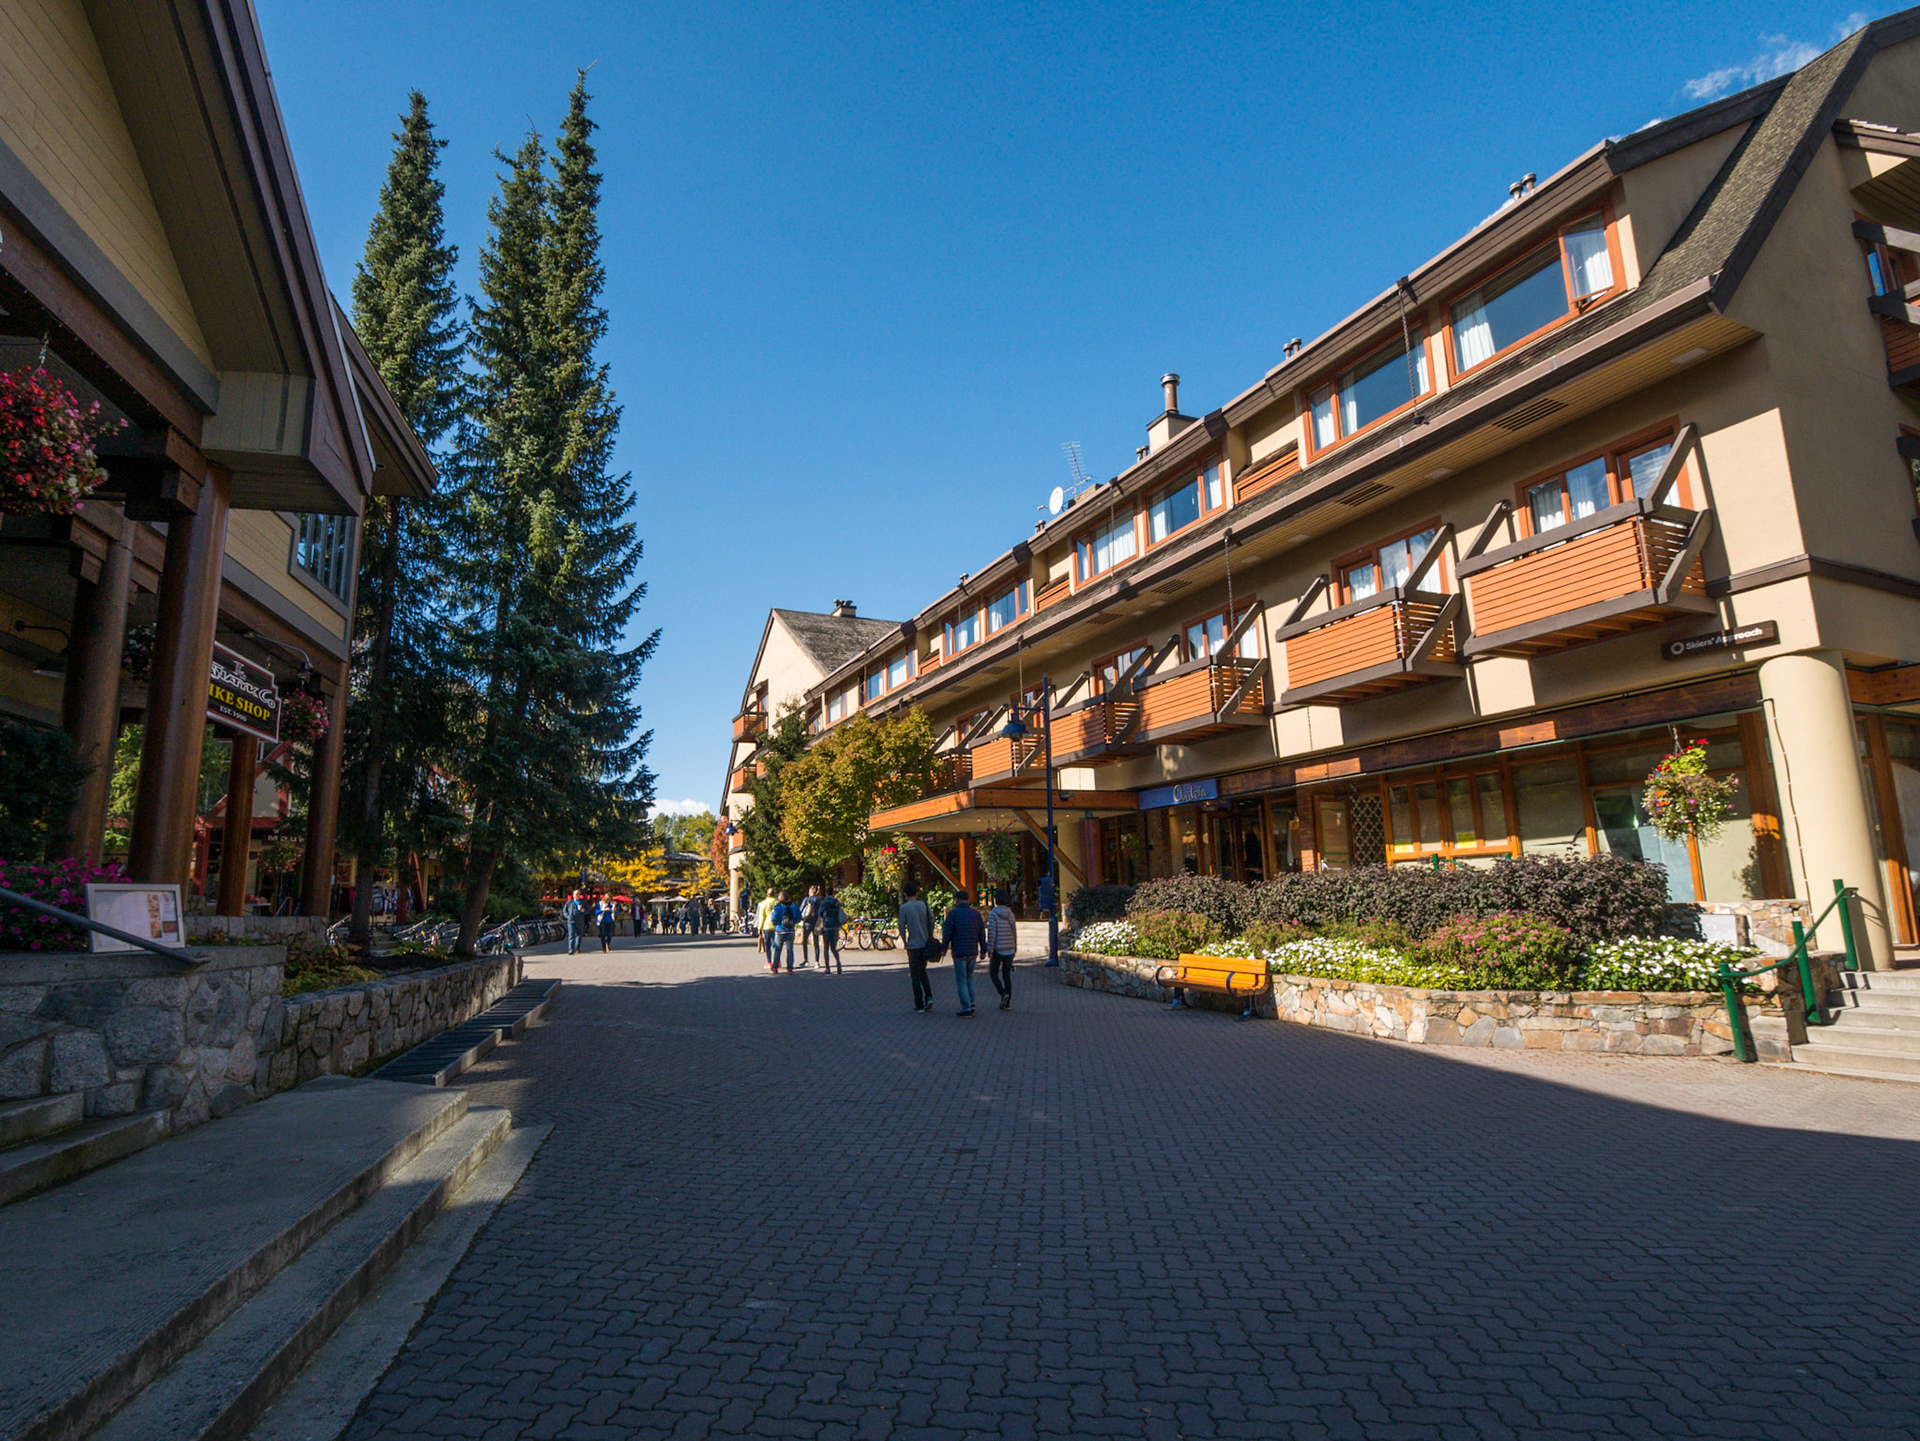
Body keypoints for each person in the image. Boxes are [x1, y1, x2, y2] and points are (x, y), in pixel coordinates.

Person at [942, 889, 984, 1018]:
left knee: (961, 981)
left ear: (957, 900)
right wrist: (983, 949)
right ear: (968, 900)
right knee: (970, 977)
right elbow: (981, 933)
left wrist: (943, 948)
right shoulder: (975, 915)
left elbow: (947, 932)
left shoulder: (953, 914)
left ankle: (966, 1007)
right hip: (972, 950)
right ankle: (971, 1002)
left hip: (959, 950)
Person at [899, 881, 934, 1012]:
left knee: (915, 975)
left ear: (905, 894)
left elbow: (901, 926)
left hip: (913, 945)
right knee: (923, 971)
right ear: (916, 892)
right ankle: (929, 996)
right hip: (925, 943)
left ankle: (919, 1004)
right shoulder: (923, 905)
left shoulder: (904, 908)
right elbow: (932, 919)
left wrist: (904, 941)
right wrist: (929, 934)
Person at [985, 888, 1018, 1010]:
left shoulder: (993, 914)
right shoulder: (1011, 914)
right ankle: (1007, 1002)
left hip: (998, 948)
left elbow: (992, 933)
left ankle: (1003, 994)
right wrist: (1015, 948)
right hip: (1009, 948)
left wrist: (990, 949)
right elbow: (1014, 932)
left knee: (993, 973)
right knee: (1006, 975)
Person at [770, 889, 799, 973]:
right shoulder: (794, 906)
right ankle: (790, 968)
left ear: (781, 897)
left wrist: (776, 924)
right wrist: (793, 923)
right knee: (790, 949)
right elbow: (798, 917)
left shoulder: (778, 906)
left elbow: (773, 918)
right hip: (790, 930)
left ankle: (775, 967)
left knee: (778, 949)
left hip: (780, 930)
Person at [818, 885, 845, 975]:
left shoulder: (824, 902)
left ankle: (827, 968)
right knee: (834, 948)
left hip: (827, 927)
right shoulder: (837, 902)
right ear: (833, 893)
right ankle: (838, 963)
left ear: (826, 893)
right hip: (835, 927)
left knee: (826, 948)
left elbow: (819, 913)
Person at [798, 885, 822, 968]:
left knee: (805, 941)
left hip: (808, 922)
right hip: (817, 923)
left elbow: (801, 910)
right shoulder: (819, 900)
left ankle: (806, 960)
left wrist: (800, 918)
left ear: (811, 892)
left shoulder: (806, 899)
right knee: (816, 942)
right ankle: (817, 962)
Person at [755, 887, 777, 966]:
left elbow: (762, 916)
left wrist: (759, 927)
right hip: (776, 926)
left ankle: (769, 962)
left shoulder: (764, 903)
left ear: (767, 894)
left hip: (767, 925)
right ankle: (777, 961)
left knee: (767, 944)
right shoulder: (777, 902)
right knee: (776, 944)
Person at [563, 889, 588, 955]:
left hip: (580, 920)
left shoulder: (582, 902)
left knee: (579, 935)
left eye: (579, 894)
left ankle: (577, 948)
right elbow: (564, 911)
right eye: (577, 894)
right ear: (573, 895)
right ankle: (571, 949)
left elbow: (588, 910)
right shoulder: (569, 903)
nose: (578, 895)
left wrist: (584, 911)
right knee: (571, 935)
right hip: (571, 921)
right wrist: (568, 916)